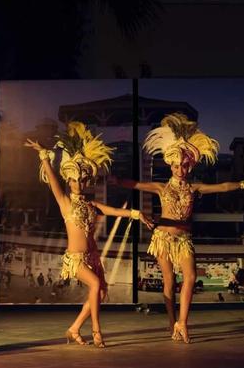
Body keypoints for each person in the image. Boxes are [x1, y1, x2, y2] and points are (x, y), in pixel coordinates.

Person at [112, 113, 244, 343]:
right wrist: (117, 181)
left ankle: (183, 322)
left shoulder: (194, 188)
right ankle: (171, 322)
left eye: (184, 166)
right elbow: (136, 184)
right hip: (163, 237)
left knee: (191, 276)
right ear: (170, 165)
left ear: (190, 165)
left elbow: (222, 186)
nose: (180, 169)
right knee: (169, 280)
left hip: (184, 238)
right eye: (176, 166)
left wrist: (243, 184)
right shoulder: (160, 187)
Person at [24, 122, 153, 348]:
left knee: (101, 293)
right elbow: (53, 181)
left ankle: (74, 329)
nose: (78, 183)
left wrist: (137, 213)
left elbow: (113, 211)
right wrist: (44, 156)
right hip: (75, 259)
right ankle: (96, 331)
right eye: (74, 179)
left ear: (87, 180)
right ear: (69, 180)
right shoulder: (65, 203)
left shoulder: (92, 205)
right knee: (95, 285)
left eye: (82, 180)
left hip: (93, 256)